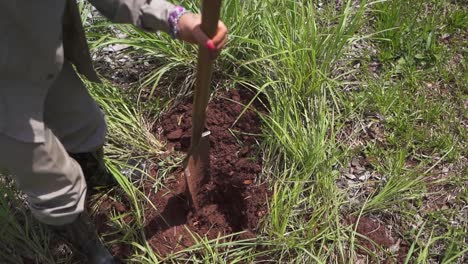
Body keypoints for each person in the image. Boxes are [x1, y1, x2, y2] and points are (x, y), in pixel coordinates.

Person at [0, 0, 227, 263]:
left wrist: (175, 19)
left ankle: (95, 181)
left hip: (33, 54)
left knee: (85, 125)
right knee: (54, 184)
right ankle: (86, 245)